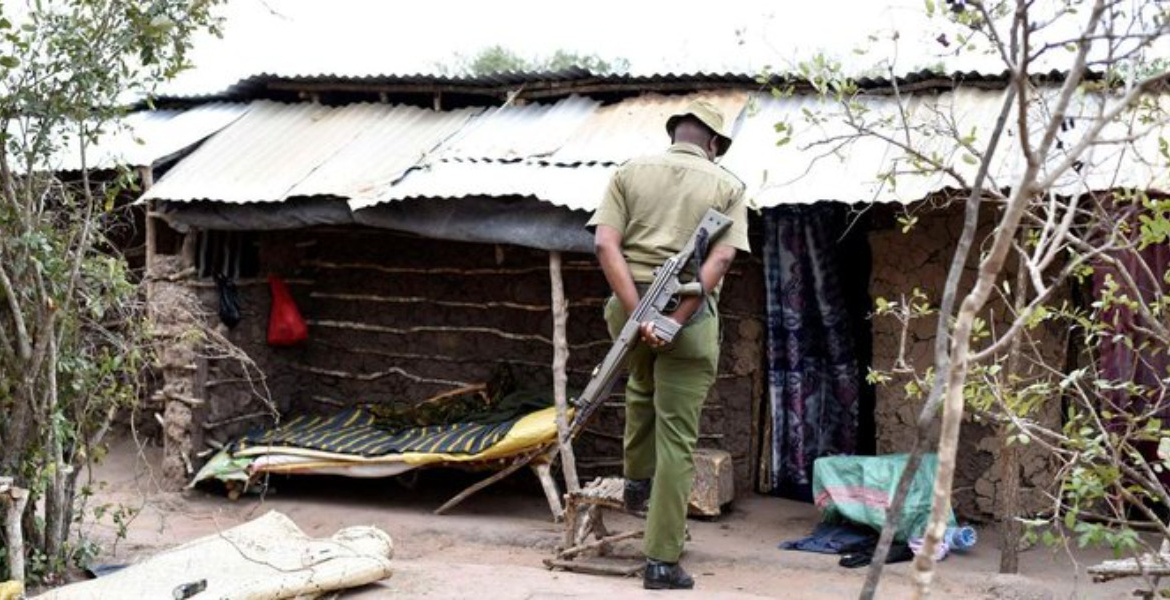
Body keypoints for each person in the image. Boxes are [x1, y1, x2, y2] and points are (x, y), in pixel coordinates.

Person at [586, 99, 750, 590]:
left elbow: (603, 244)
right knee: (677, 441)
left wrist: (637, 312)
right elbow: (720, 262)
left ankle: (637, 480)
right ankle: (661, 562)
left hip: (630, 301)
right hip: (689, 316)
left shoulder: (629, 172)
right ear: (714, 144)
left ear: (674, 133)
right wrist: (671, 319)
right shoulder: (728, 184)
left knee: (639, 384)